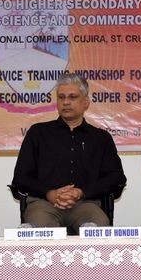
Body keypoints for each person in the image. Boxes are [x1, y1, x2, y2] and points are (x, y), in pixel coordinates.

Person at [11, 73, 126, 234]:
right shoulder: (38, 133)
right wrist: (49, 193)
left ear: (86, 102)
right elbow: (21, 177)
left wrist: (81, 192)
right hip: (44, 205)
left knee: (97, 226)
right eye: (61, 97)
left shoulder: (100, 138)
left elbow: (116, 177)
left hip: (86, 205)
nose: (66, 102)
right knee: (38, 230)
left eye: (72, 97)